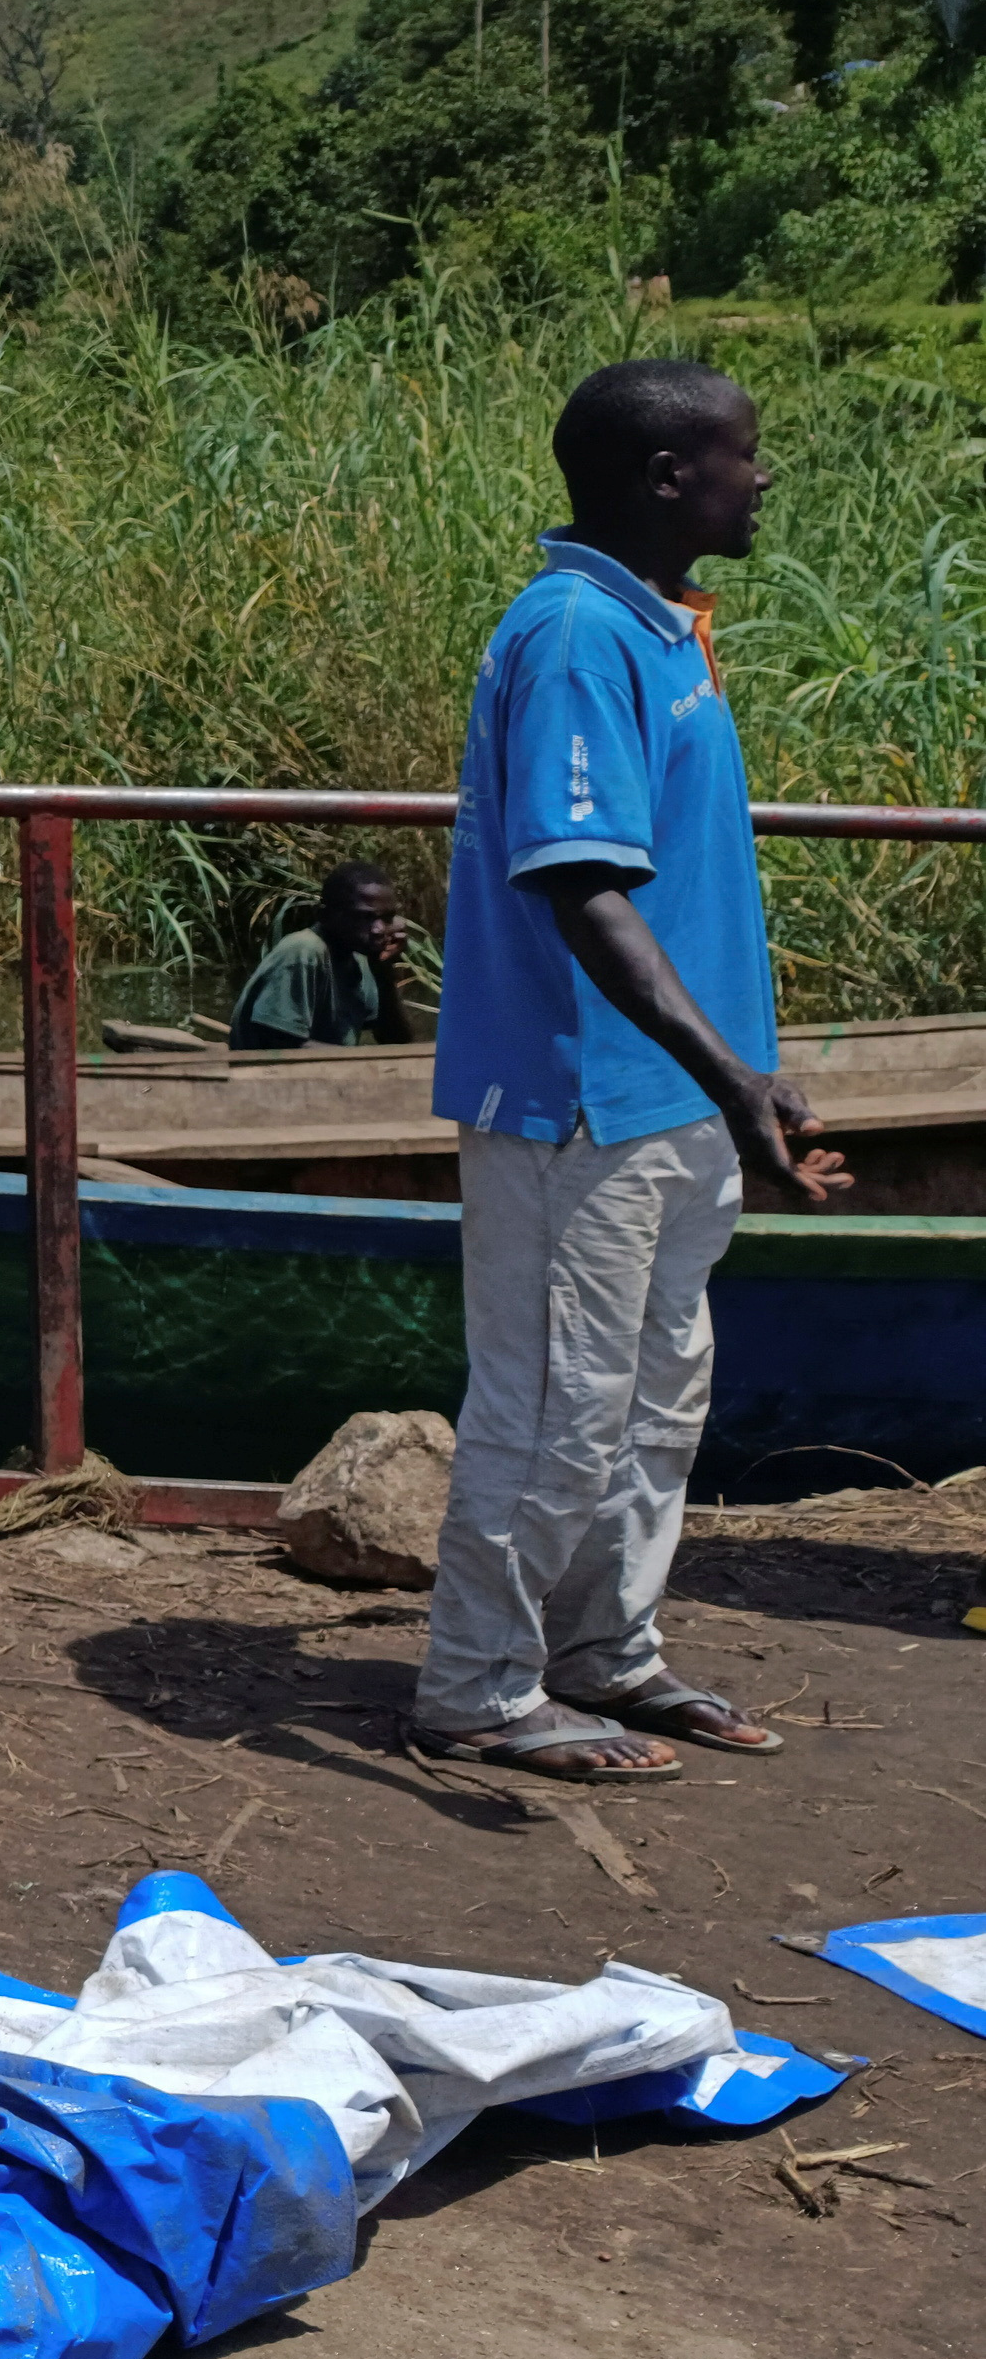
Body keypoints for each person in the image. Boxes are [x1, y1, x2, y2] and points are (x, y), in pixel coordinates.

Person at [410, 358, 847, 1784]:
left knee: (656, 1397)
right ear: (671, 477)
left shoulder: (664, 629)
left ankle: (607, 1649)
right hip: (578, 1099)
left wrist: (745, 1083)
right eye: (744, 452)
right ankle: (480, 1683)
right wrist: (735, 1077)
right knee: (551, 1406)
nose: (759, 475)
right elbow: (588, 889)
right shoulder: (580, 634)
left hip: (674, 1097)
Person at [226, 861, 412, 1047]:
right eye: (364, 917)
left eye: (387, 918)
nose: (379, 930)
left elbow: (395, 1040)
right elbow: (281, 1046)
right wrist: (359, 1062)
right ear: (324, 915)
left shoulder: (360, 957)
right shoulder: (304, 951)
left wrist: (384, 973)